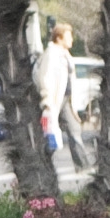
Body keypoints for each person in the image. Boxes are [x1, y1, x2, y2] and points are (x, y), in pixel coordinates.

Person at [35, 20, 87, 171]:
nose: (71, 39)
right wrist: (47, 100)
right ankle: (42, 166)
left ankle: (82, 166)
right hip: (55, 100)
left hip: (67, 100)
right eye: (68, 36)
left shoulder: (65, 54)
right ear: (59, 38)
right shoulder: (51, 54)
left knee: (74, 129)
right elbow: (44, 77)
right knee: (50, 132)